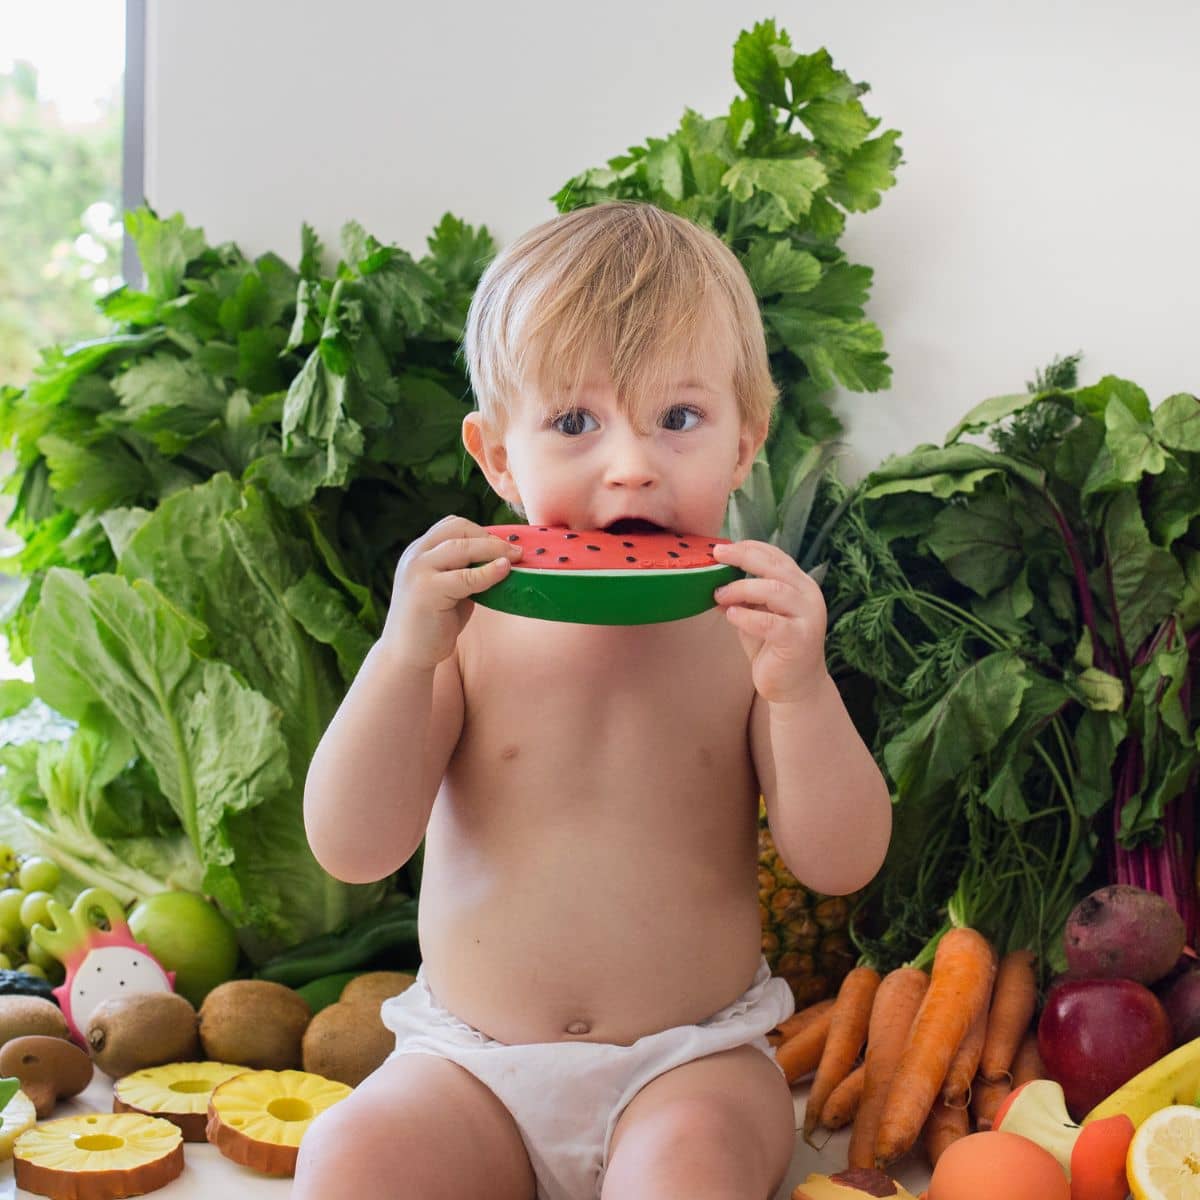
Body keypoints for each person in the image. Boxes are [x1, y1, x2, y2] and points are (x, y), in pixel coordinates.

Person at [295, 200, 892, 1200]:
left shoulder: (749, 637)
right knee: (345, 1163)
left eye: (680, 418)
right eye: (575, 422)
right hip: (469, 1065)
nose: (631, 463)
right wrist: (404, 657)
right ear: (495, 456)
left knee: (689, 1172)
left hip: (689, 1064)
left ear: (746, 442)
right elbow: (353, 847)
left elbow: (842, 862)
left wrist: (800, 688)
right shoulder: (463, 631)